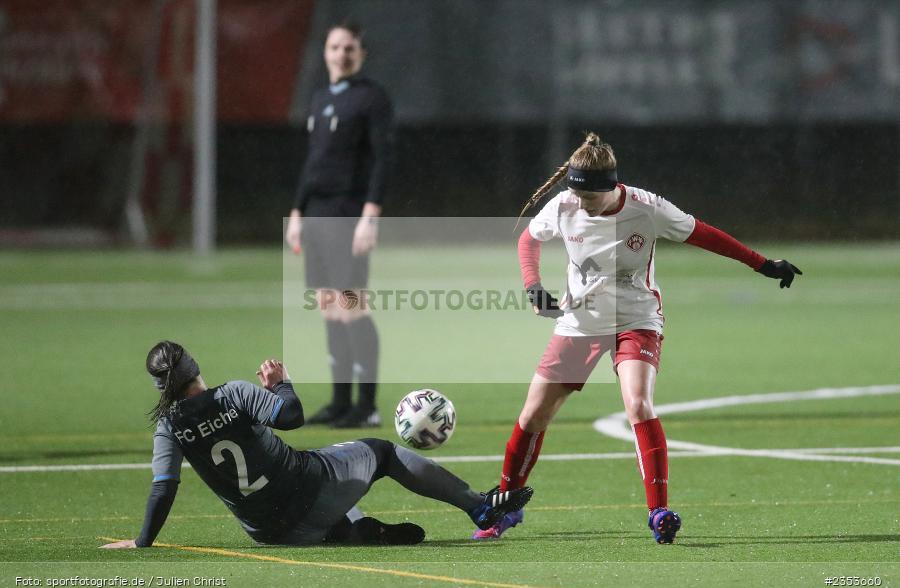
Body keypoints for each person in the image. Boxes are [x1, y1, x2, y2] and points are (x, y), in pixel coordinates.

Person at [472, 132, 802, 543]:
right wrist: (532, 286)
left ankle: (659, 511)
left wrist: (761, 264)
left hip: (636, 318)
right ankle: (505, 508)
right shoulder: (565, 204)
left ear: (611, 187)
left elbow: (705, 234)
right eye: (576, 196)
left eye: (589, 198)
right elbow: (529, 240)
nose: (581, 205)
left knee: (639, 403)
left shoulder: (648, 209)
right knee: (533, 416)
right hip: (581, 321)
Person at [100, 341, 532, 549]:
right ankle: (480, 507)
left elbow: (163, 488)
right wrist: (281, 384)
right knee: (378, 453)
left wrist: (142, 543)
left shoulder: (168, 427)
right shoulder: (232, 394)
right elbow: (292, 418)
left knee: (329, 467)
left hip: (270, 534)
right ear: (195, 367)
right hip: (310, 493)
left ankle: (353, 531)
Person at [284, 22, 392, 428]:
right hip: (317, 214)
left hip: (349, 213)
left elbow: (383, 159)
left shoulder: (371, 99)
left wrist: (370, 215)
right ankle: (340, 400)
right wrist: (297, 212)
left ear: (361, 54)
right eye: (334, 46)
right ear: (326, 52)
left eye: (349, 48)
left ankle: (367, 404)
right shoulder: (320, 98)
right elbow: (313, 164)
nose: (341, 54)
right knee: (330, 307)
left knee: (352, 306)